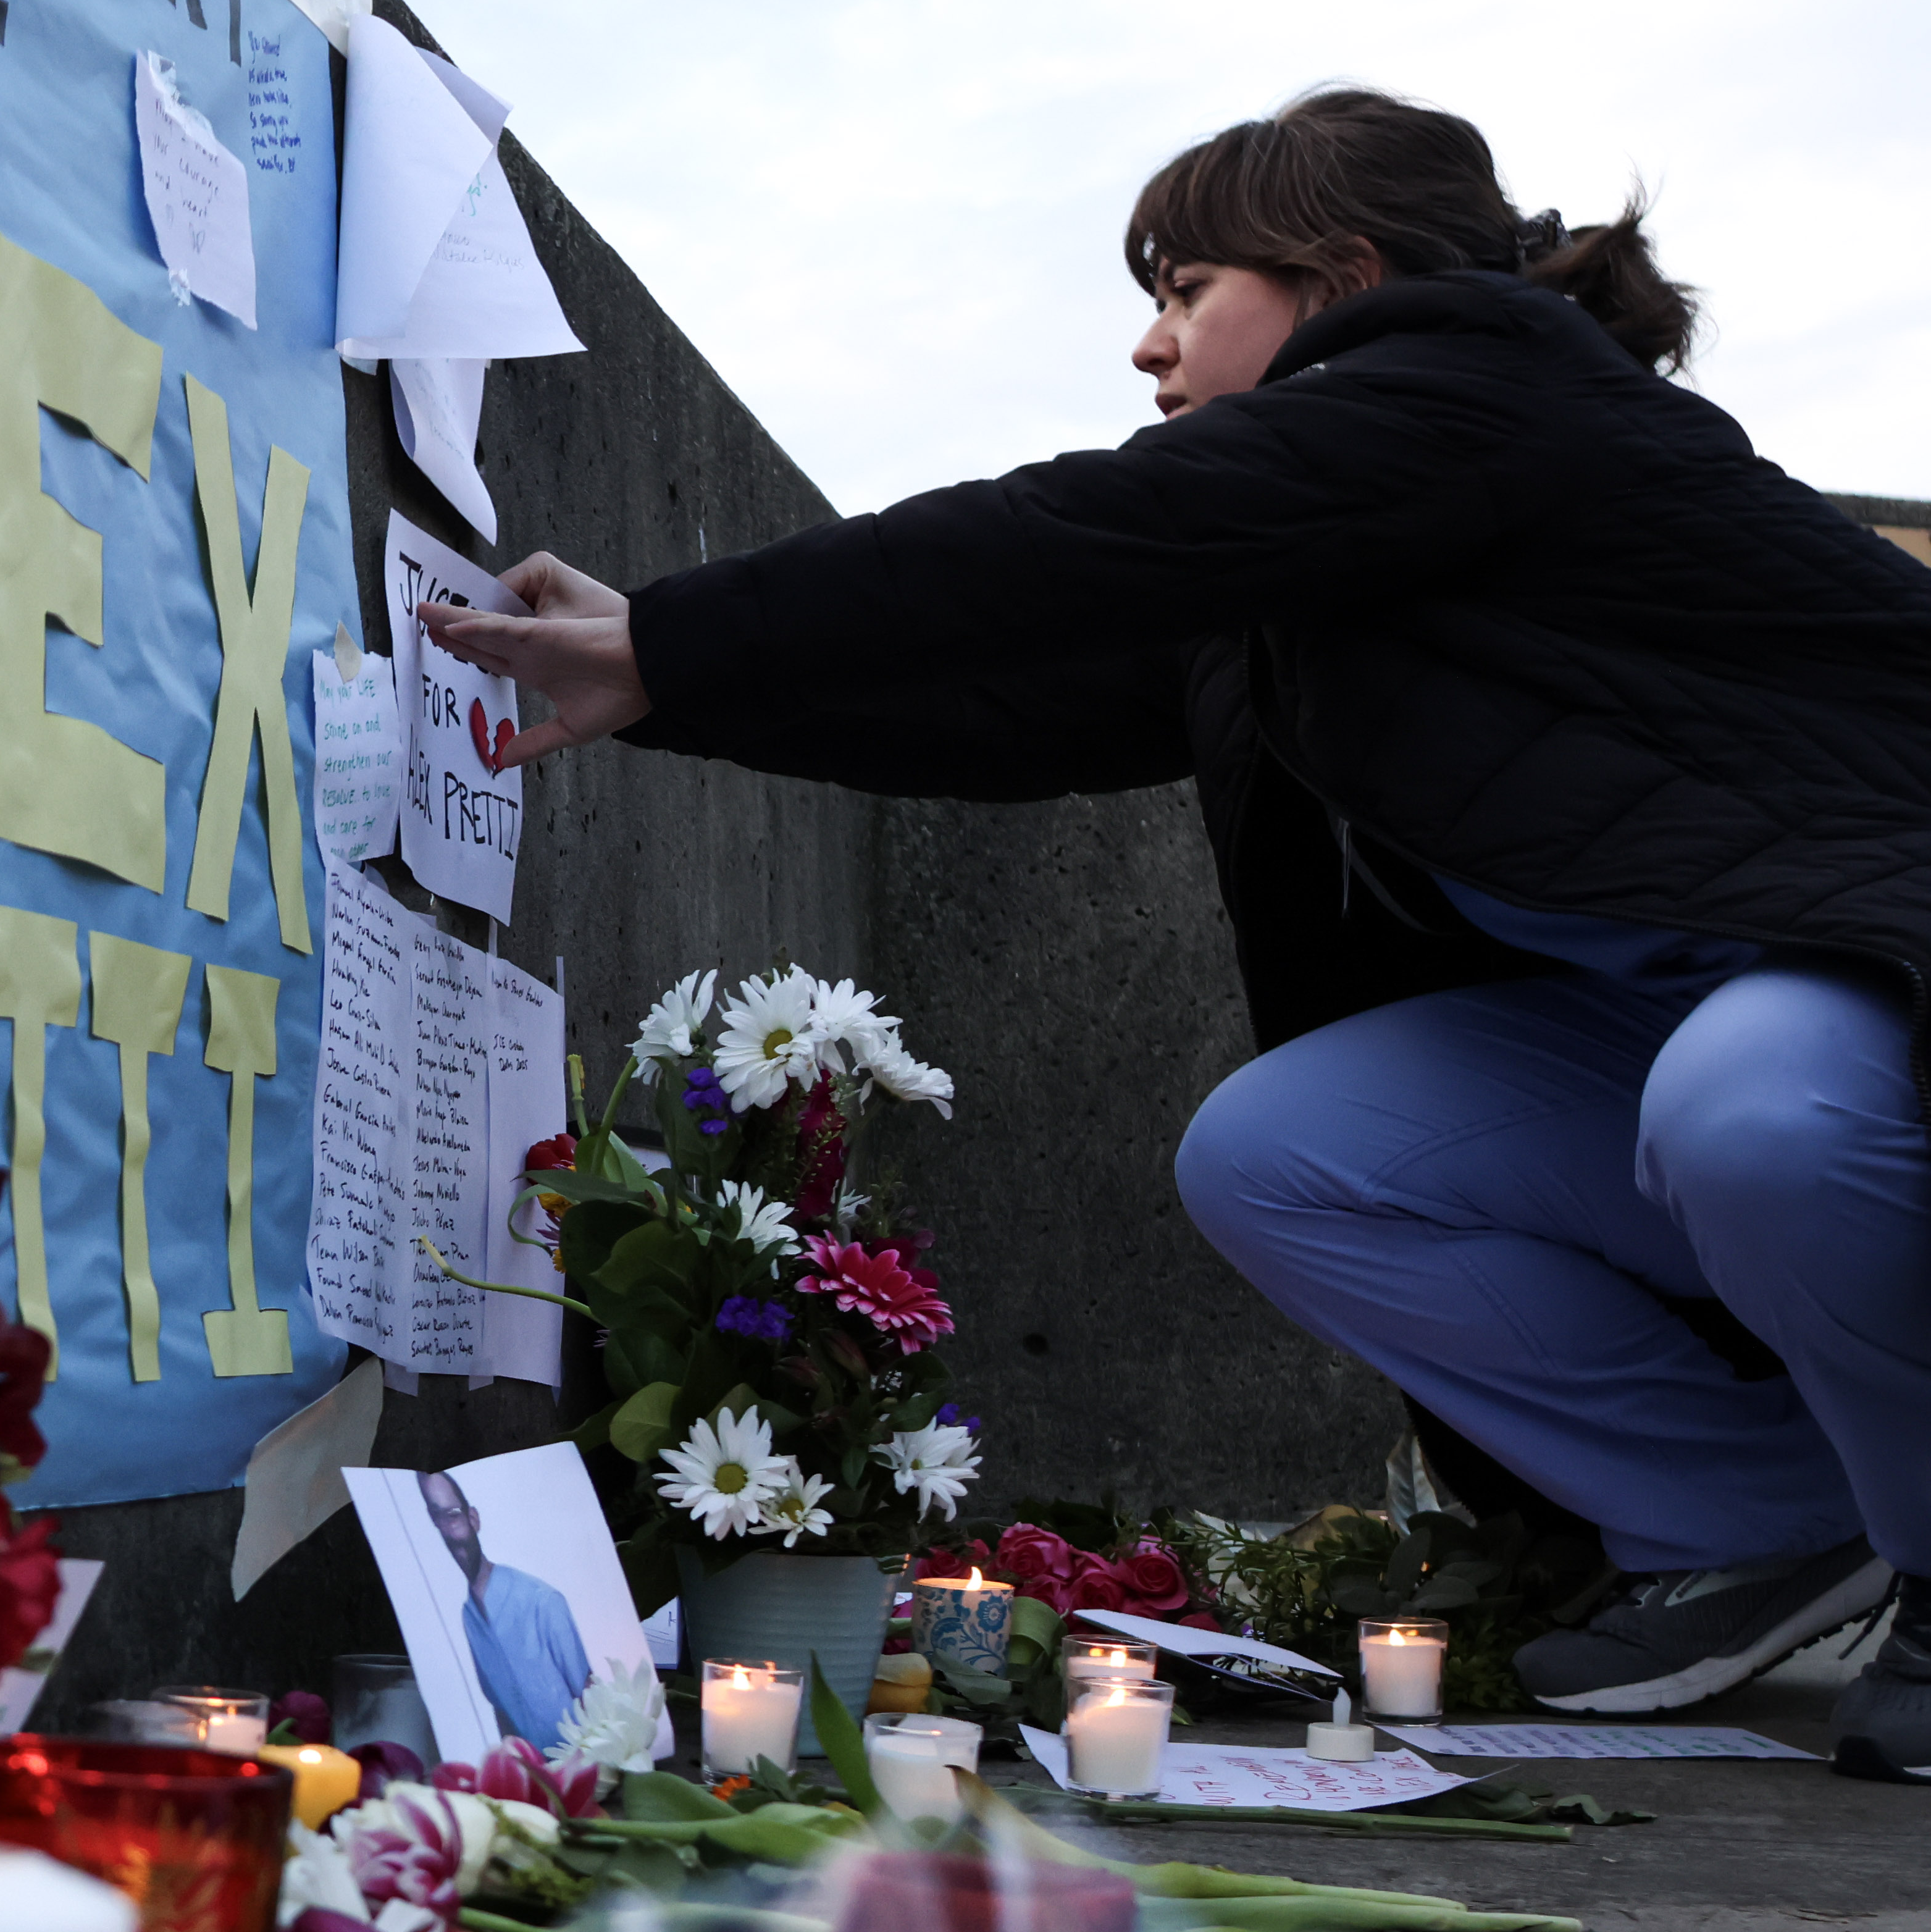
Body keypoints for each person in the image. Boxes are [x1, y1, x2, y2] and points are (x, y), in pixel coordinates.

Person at [416, 88, 1931, 1780]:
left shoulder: (1489, 392)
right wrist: (660, 684)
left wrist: (687, 628)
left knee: (1748, 1104)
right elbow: (1004, 710)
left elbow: (1071, 540)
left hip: (1866, 983)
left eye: (1187, 289)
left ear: (1345, 282)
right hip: (1654, 1048)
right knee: (1276, 1153)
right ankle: (1754, 1516)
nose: (1149, 348)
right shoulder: (1305, 585)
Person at [419, 1469, 597, 1750]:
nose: (447, 1532)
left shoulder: (543, 1602)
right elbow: (502, 1713)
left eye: (452, 1515)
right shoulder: (467, 1617)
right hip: (531, 1780)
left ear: (473, 1518)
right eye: (435, 1517)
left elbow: (591, 1696)